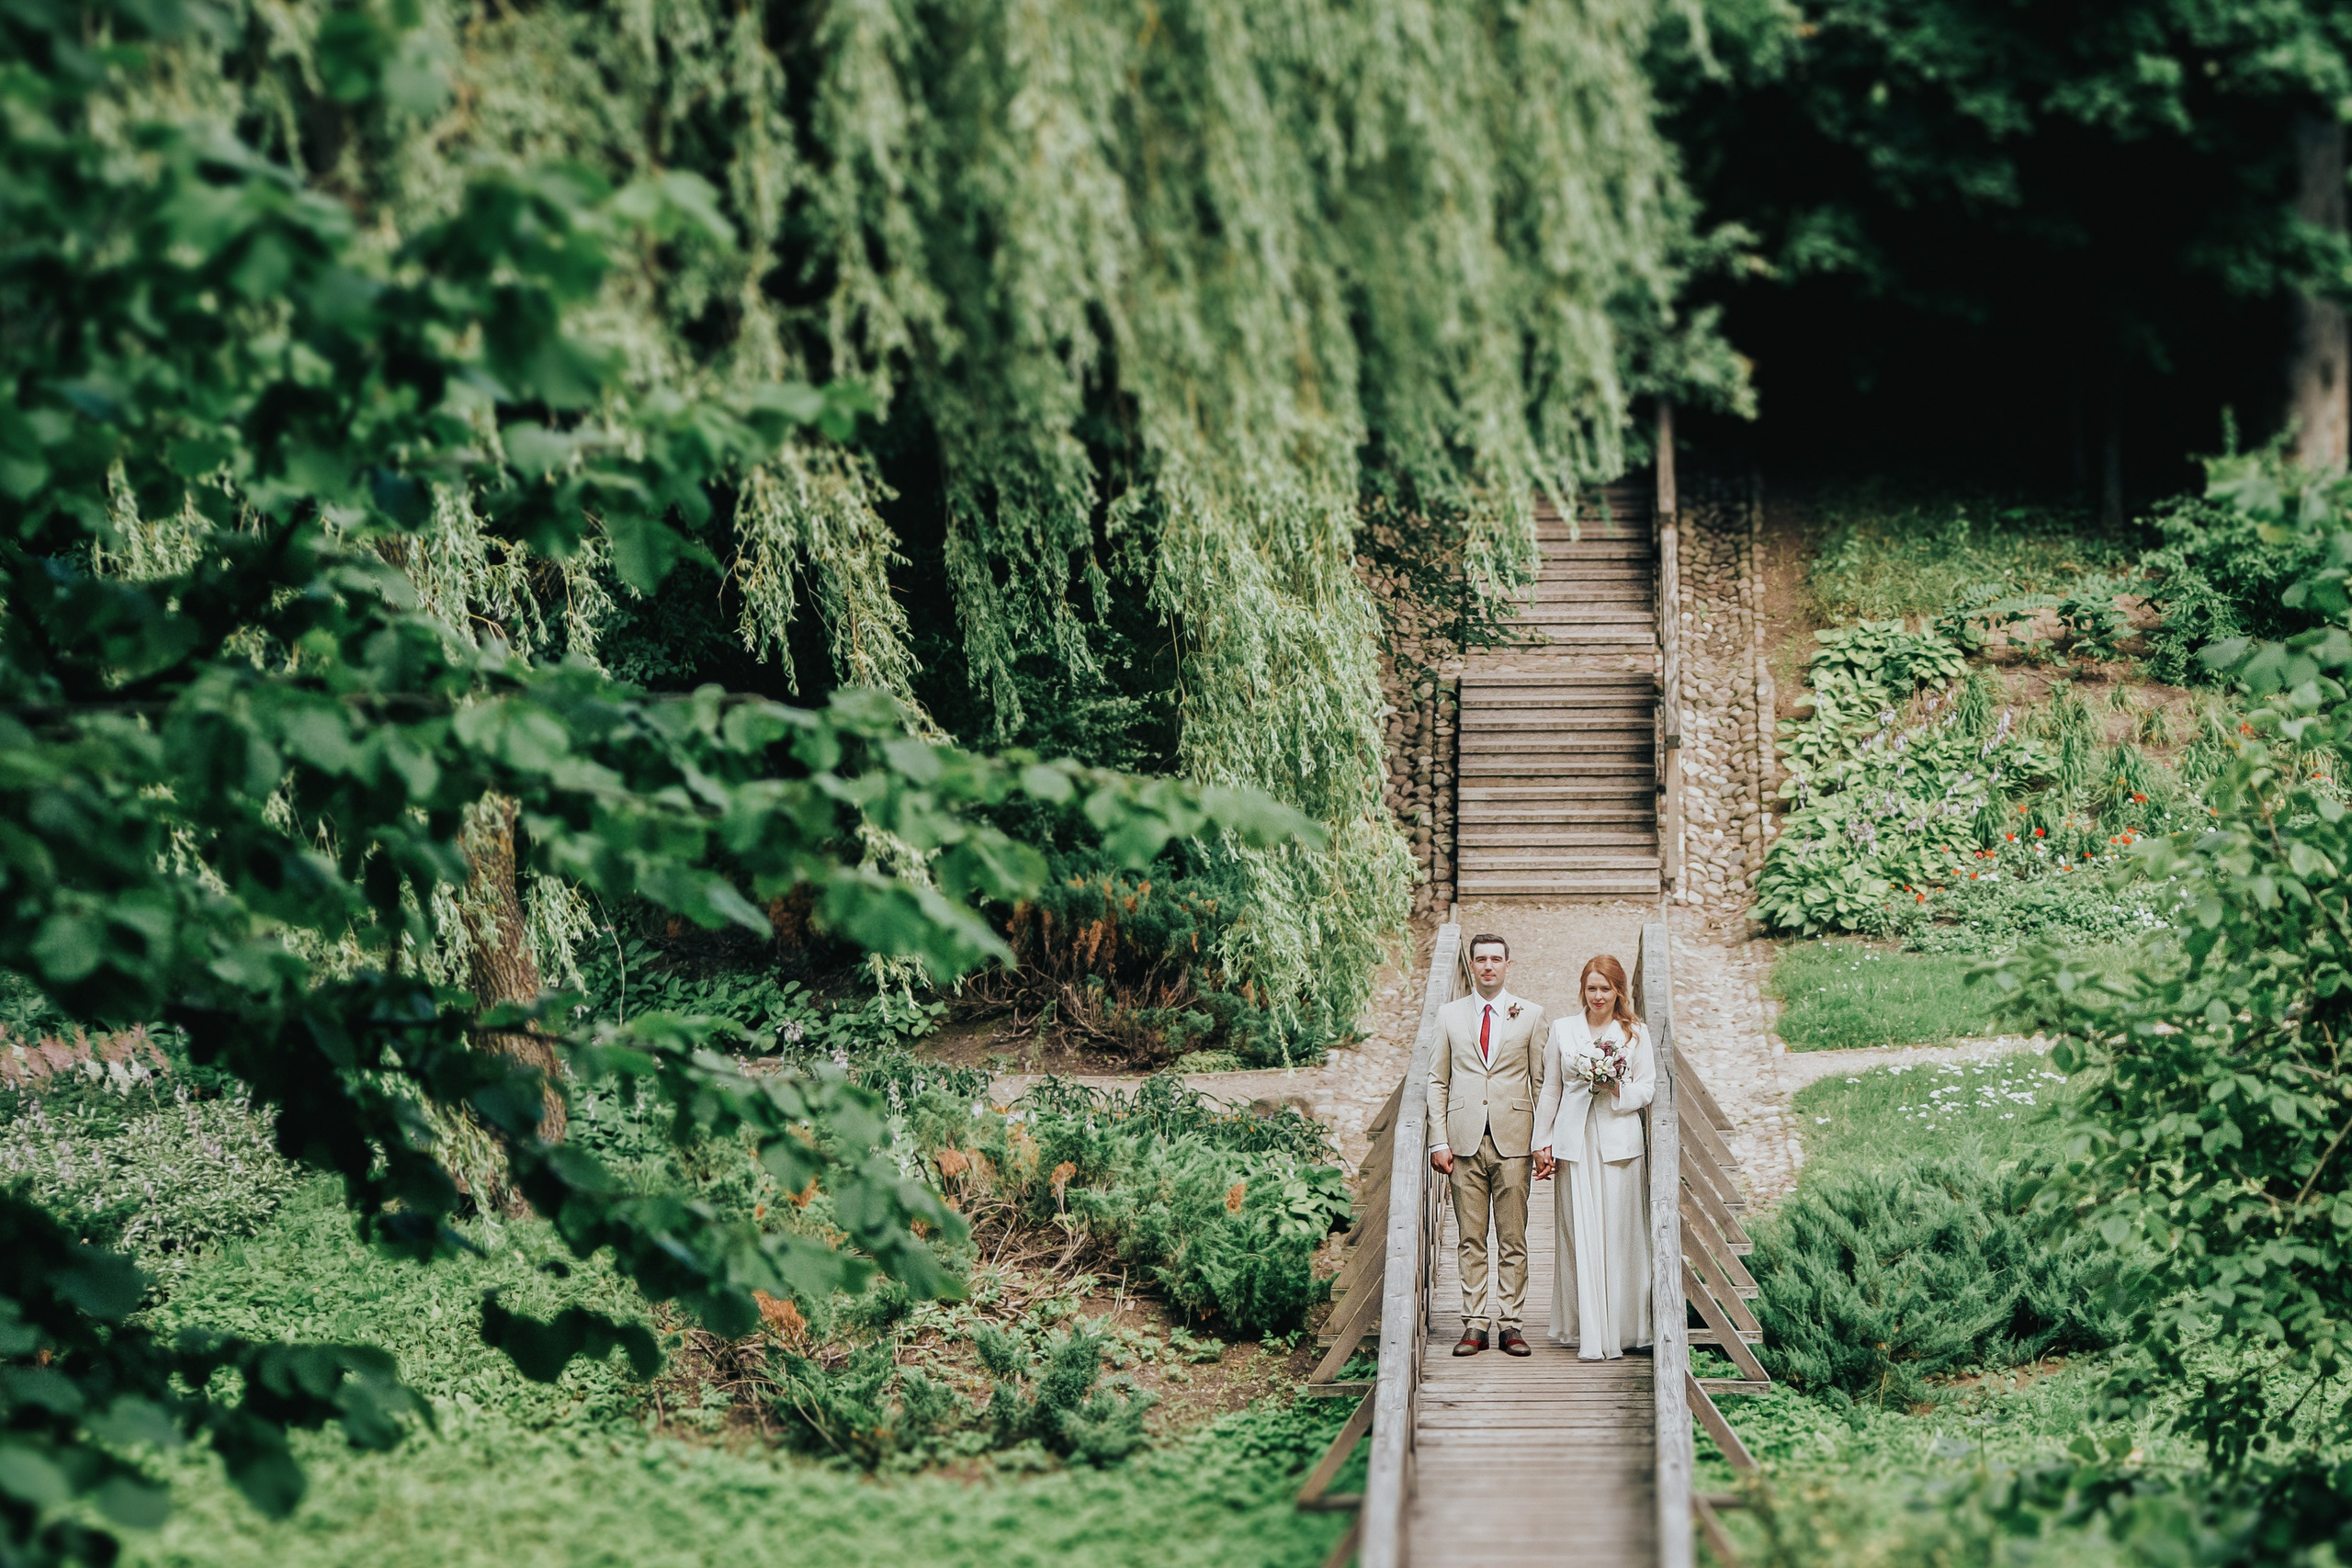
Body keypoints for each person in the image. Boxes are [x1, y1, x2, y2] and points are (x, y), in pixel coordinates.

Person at [1427, 933, 1549, 1357]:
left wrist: (1542, 1142)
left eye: (1496, 959)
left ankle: (1511, 1324)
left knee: (1513, 1237)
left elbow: (1541, 1083)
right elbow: (1437, 1080)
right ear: (1472, 965)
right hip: (1462, 1140)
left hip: (1514, 1139)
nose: (1489, 966)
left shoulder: (1531, 1015)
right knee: (1470, 1237)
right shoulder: (1448, 1015)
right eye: (1481, 959)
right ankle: (1474, 1323)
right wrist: (1437, 1140)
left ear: (1508, 965)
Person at [1532, 953, 1655, 1359]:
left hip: (1619, 1142)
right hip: (1575, 1142)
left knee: (1621, 1233)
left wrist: (1616, 1086)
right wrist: (1541, 1140)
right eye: (1591, 988)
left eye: (1606, 988)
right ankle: (1588, 1329)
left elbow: (1647, 1089)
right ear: (1582, 989)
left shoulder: (1635, 1033)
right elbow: (1551, 1088)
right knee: (1579, 1232)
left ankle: (1624, 1330)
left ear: (1619, 990)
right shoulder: (1564, 1030)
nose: (1598, 996)